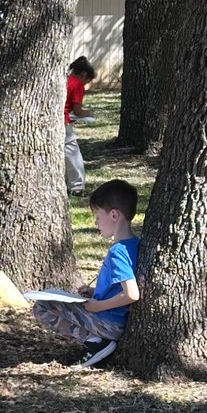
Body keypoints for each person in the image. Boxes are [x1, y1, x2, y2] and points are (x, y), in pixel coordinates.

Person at [32, 178, 140, 369]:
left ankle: (96, 343)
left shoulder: (118, 252)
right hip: (115, 320)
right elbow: (120, 287)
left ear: (114, 215)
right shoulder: (136, 244)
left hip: (109, 323)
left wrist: (97, 306)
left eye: (97, 216)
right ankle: (98, 341)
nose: (96, 222)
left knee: (42, 307)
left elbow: (131, 294)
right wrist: (95, 291)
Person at [65, 56, 95, 197]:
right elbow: (77, 111)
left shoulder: (67, 79)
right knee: (73, 153)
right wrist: (88, 113)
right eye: (87, 81)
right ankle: (77, 187)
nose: (85, 84)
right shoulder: (77, 85)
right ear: (83, 75)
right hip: (64, 121)